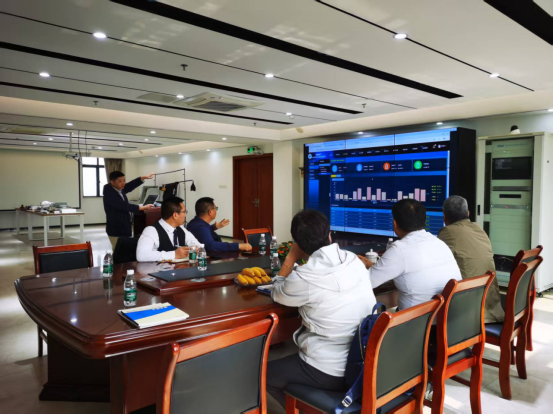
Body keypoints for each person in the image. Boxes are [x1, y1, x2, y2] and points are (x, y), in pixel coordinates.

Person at [267, 210, 376, 410]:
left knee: (263, 374)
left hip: (330, 370)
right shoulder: (354, 260)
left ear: (298, 244)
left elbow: (276, 291)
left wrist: (291, 257)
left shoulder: (304, 277)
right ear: (329, 235)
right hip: (366, 359)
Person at [358, 199, 462, 311]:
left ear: (395, 223)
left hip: (416, 320)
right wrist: (375, 266)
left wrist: (355, 266)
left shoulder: (399, 250)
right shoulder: (439, 243)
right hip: (448, 317)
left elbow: (365, 283)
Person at [438, 196, 504, 323]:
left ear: (444, 217)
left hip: (469, 316)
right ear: (468, 213)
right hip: (492, 308)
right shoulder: (479, 229)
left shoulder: (447, 232)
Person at [136, 197, 201, 262]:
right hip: (158, 268)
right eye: (184, 212)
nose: (185, 215)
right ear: (175, 215)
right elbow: (141, 255)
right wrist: (174, 254)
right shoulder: (151, 230)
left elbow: (196, 244)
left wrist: (195, 248)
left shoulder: (181, 228)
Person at [103, 170, 155, 250]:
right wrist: (141, 207)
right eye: (120, 181)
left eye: (124, 180)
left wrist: (142, 178)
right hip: (116, 229)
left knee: (125, 251)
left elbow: (130, 186)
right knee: (118, 252)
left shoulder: (118, 189)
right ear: (112, 182)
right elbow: (123, 206)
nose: (123, 183)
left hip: (124, 227)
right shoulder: (109, 192)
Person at [186, 197, 252, 252]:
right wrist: (238, 246)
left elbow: (203, 233)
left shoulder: (194, 222)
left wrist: (213, 227)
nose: (216, 211)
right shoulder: (200, 227)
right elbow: (212, 246)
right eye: (216, 208)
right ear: (210, 212)